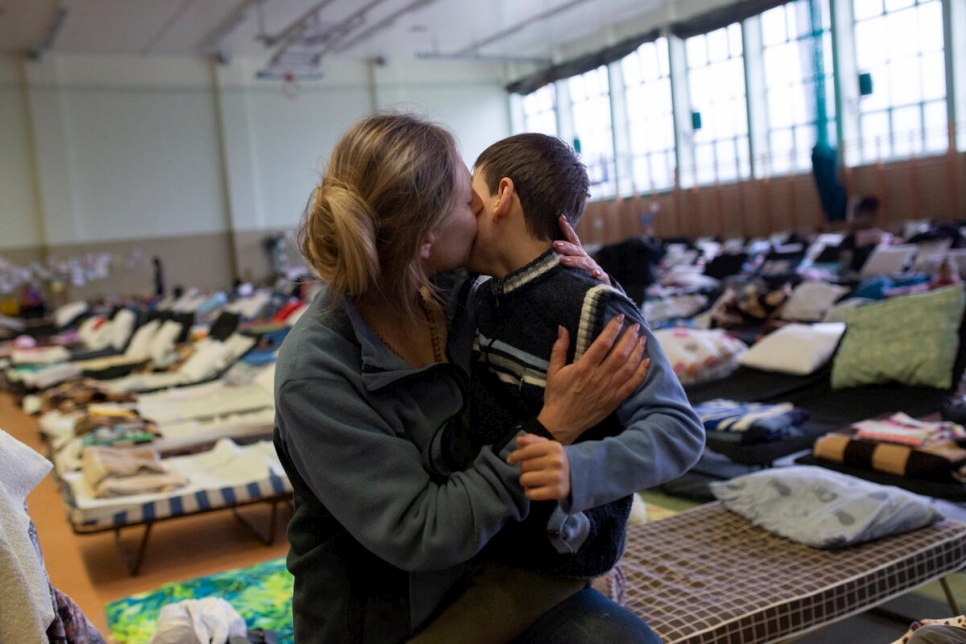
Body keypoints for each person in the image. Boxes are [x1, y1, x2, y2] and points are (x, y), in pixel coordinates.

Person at [273, 112, 653, 643]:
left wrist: (587, 292)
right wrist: (549, 432)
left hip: (490, 569)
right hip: (388, 622)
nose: (480, 209)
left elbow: (556, 319)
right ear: (426, 237)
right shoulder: (315, 372)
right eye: (465, 200)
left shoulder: (458, 291)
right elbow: (424, 532)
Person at [409, 133, 705, 641]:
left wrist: (576, 467)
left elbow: (679, 431)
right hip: (487, 536)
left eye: (468, 200)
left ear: (502, 196)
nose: (460, 213)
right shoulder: (481, 296)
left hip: (546, 558)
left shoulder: (594, 308)